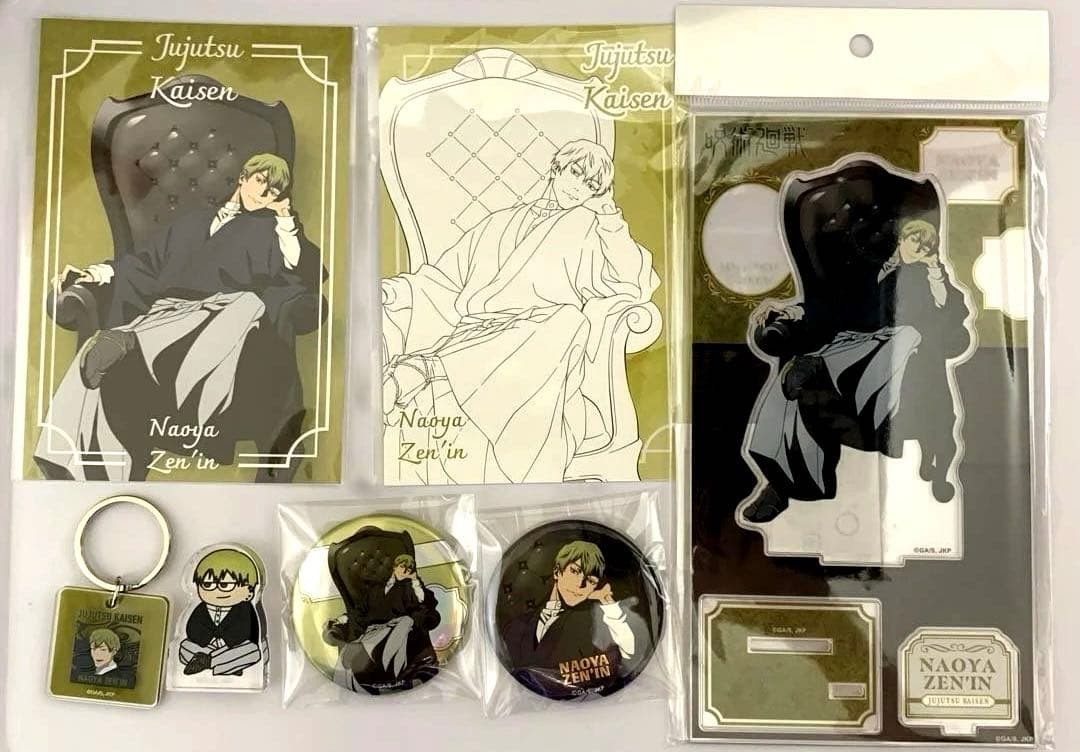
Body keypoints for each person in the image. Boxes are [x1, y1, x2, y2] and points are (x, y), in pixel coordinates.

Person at [381, 139, 659, 483]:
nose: (579, 187)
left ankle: (424, 369)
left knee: (569, 320)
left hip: (542, 343)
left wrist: (609, 217)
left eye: (591, 184)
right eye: (575, 173)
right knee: (561, 322)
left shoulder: (590, 229)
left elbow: (632, 278)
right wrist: (395, 291)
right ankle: (427, 369)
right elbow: (444, 277)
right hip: (477, 334)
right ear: (556, 168)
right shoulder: (498, 223)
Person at [35, 153, 323, 481]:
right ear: (244, 177)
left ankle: (129, 339)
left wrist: (284, 217)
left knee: (246, 303)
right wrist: (92, 274)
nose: (264, 193)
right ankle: (73, 462)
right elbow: (142, 265)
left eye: (273, 191)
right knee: (95, 355)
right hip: (169, 314)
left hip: (225, 320)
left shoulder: (271, 231)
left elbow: (301, 267)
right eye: (260, 181)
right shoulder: (192, 222)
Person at [742, 217, 971, 523]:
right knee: (792, 389)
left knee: (907, 335)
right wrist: (793, 311)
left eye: (926, 246)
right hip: (851, 347)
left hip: (895, 359)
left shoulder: (924, 277)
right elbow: (833, 304)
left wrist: (934, 269)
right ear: (902, 237)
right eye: (914, 239)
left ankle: (819, 365)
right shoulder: (864, 266)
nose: (918, 248)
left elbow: (951, 312)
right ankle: (782, 485)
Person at [503, 540, 636, 684]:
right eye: (575, 571)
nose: (581, 585)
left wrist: (609, 604)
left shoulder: (591, 624)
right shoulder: (517, 625)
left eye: (591, 581)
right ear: (557, 572)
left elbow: (629, 657)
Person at [324, 552, 441, 691]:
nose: (404, 571)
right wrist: (340, 619)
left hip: (399, 629)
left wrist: (415, 581)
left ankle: (367, 655)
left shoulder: (409, 588)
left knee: (405, 622)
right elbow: (359, 611)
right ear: (394, 567)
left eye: (408, 569)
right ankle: (359, 655)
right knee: (363, 645)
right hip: (374, 630)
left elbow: (426, 602)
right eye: (402, 567)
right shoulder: (375, 590)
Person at [179, 548, 264, 677]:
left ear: (249, 593)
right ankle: (228, 665)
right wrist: (210, 640)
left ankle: (209, 662)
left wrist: (225, 641)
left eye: (225, 585)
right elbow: (192, 629)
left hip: (233, 647)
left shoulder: (244, 609)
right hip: (207, 648)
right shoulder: (201, 608)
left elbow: (246, 631)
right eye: (207, 585)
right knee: (185, 646)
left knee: (252, 651)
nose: (216, 591)